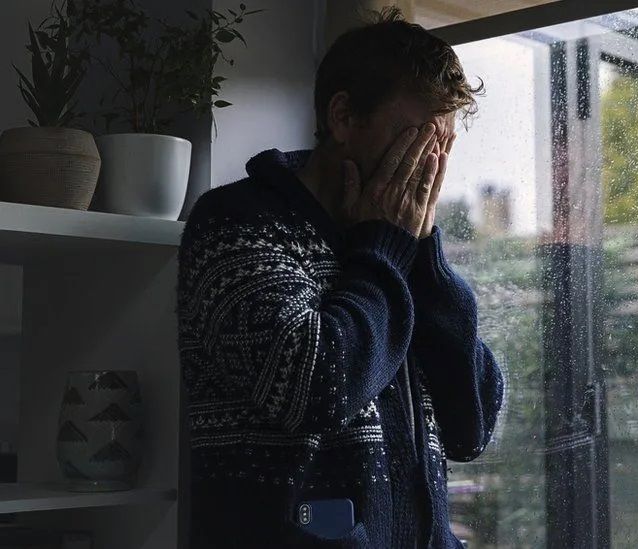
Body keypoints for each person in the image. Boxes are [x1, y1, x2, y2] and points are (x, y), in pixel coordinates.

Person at [176, 8, 503, 548]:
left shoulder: (396, 248)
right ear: (344, 117)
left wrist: (424, 257)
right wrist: (385, 251)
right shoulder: (236, 224)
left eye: (440, 148)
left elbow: (472, 426)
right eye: (412, 140)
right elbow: (315, 389)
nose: (426, 168)